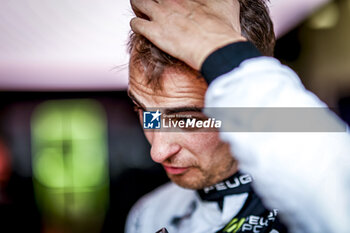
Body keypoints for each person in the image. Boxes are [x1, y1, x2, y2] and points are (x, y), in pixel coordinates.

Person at [126, 0, 350, 233]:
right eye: (143, 111)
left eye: (185, 120)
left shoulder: (309, 205)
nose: (157, 152)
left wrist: (222, 52)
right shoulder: (149, 215)